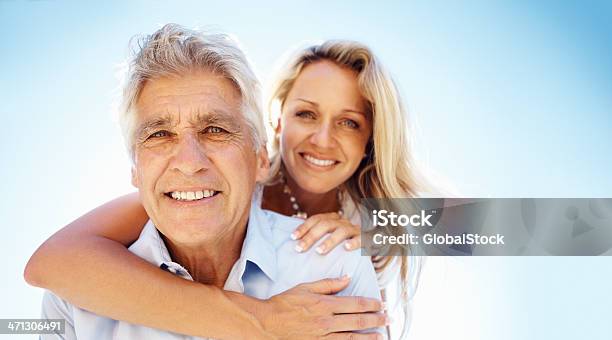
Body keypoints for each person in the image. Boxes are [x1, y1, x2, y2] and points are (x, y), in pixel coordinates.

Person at [26, 25, 425, 339]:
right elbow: (56, 260)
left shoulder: (375, 213)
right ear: (278, 124)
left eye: (348, 122)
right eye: (306, 114)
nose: (322, 138)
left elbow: (485, 232)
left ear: (370, 139)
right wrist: (261, 322)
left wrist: (375, 228)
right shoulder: (215, 184)